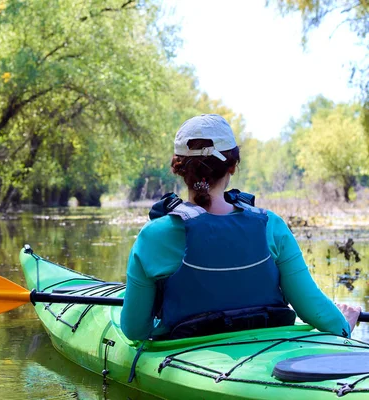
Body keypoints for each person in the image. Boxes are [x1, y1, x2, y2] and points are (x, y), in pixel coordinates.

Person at [120, 114, 361, 341]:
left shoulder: (154, 236)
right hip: (269, 350)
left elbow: (134, 330)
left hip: (184, 354)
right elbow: (315, 310)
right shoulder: (271, 225)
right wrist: (343, 324)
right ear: (233, 165)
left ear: (178, 167)